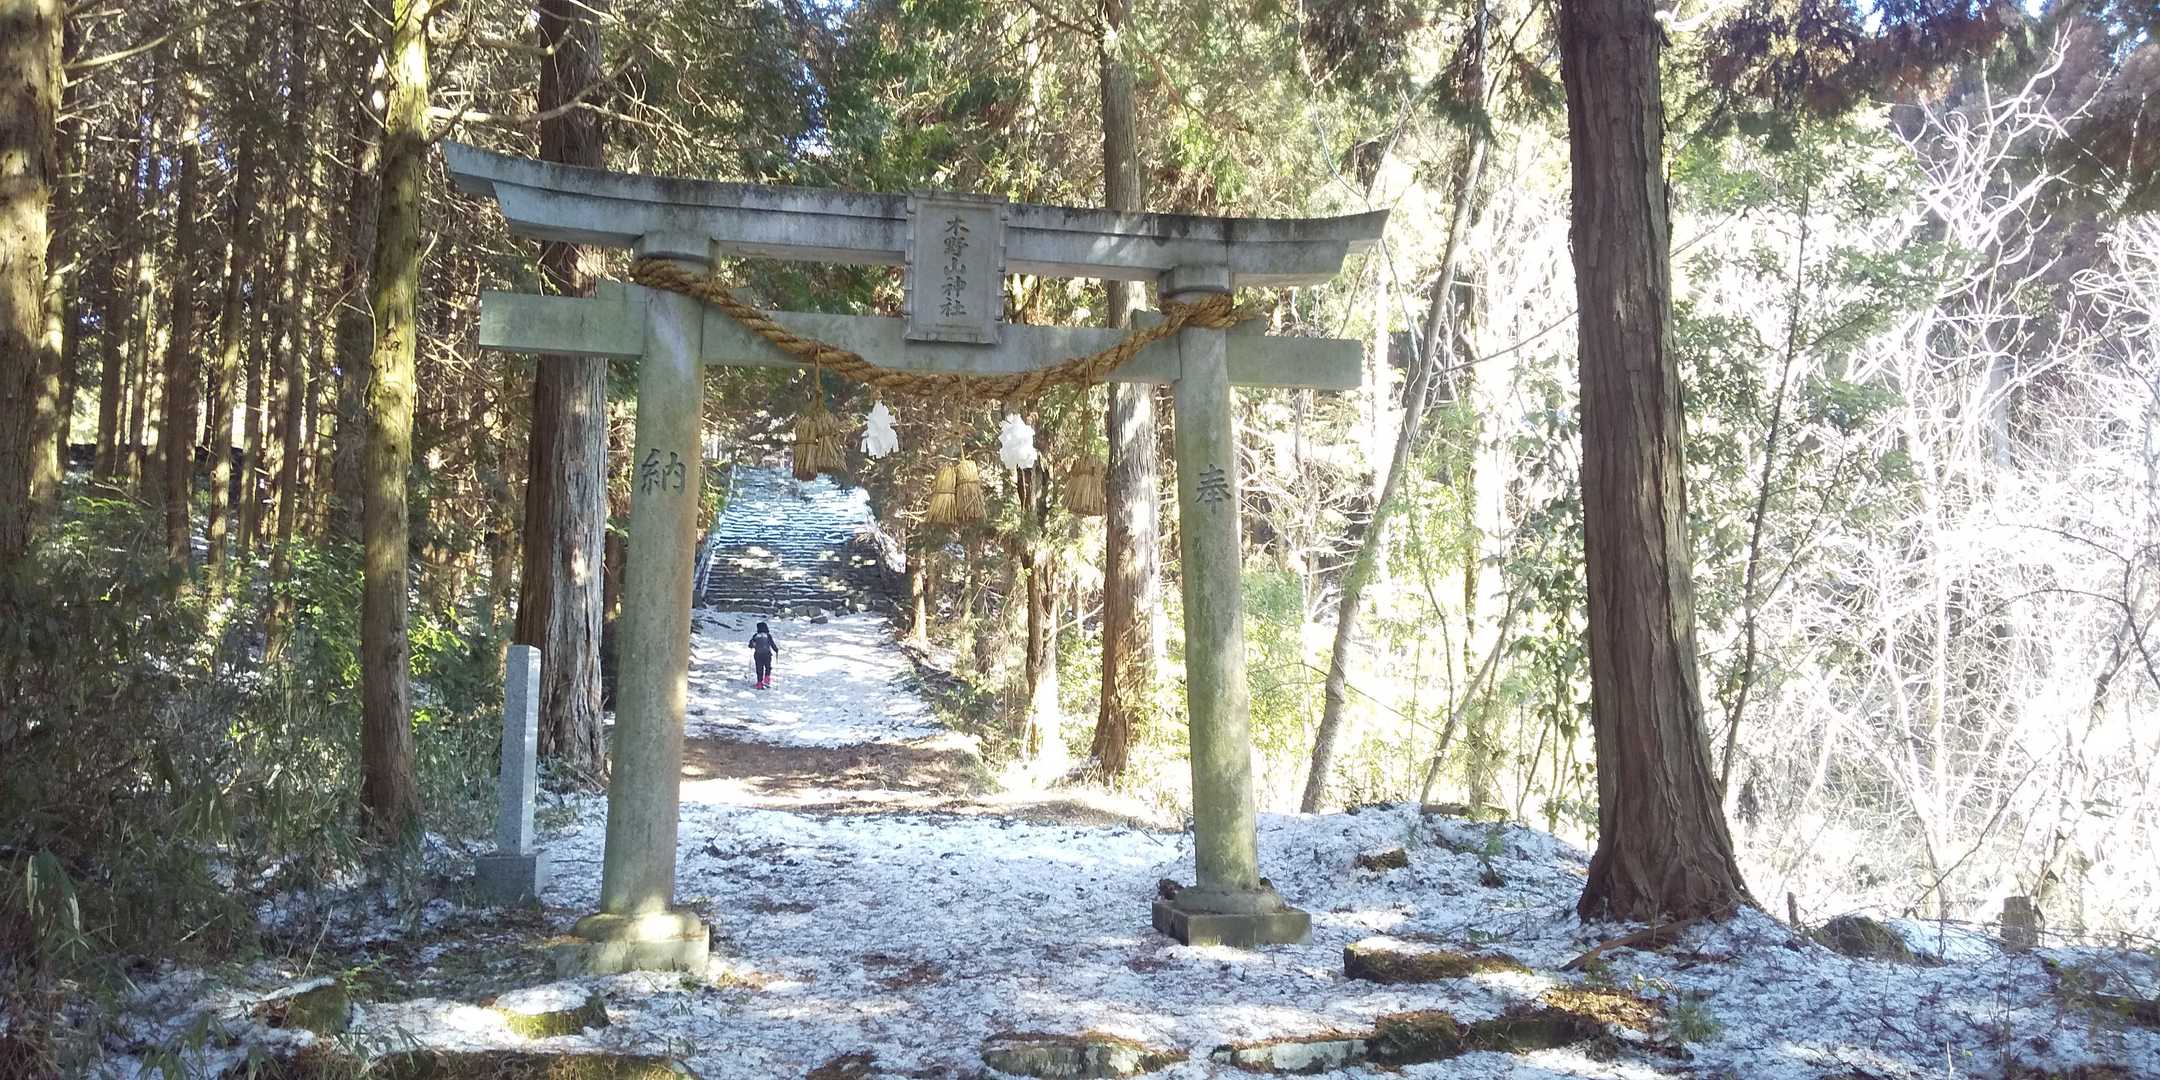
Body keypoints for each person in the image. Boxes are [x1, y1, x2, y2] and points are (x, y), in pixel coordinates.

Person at [748, 621, 780, 690]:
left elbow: (750, 645)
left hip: (758, 655)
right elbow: (772, 644)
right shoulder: (768, 635)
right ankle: (767, 680)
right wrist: (776, 650)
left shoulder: (755, 636)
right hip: (767, 654)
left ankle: (759, 683)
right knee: (768, 667)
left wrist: (752, 645)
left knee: (759, 669)